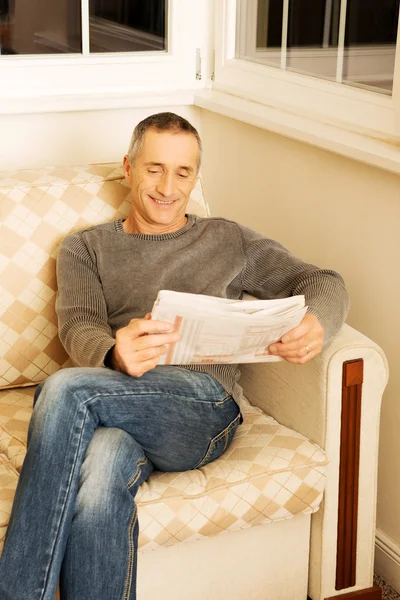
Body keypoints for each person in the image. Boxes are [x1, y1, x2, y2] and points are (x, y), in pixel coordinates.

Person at [0, 112, 349, 600]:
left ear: (195, 177)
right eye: (154, 168)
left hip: (202, 411)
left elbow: (322, 282)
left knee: (63, 389)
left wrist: (316, 323)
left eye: (183, 172)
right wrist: (113, 353)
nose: (168, 186)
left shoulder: (229, 239)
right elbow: (79, 325)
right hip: (120, 404)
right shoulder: (85, 248)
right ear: (129, 167)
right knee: (99, 474)